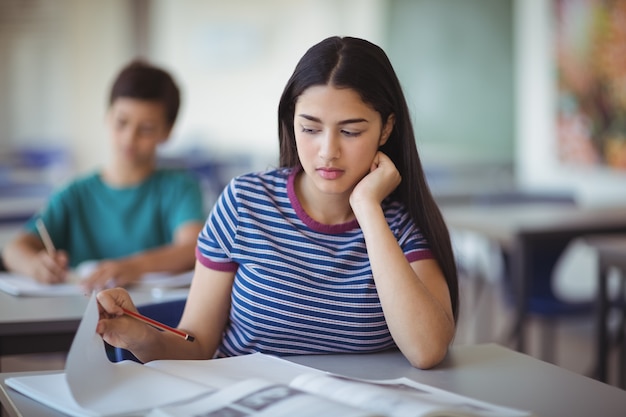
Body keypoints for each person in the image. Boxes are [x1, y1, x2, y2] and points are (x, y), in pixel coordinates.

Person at [96, 36, 459, 369]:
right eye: (310, 128)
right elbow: (197, 344)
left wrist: (368, 208)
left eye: (350, 131)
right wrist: (142, 337)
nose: (328, 151)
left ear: (386, 128)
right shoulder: (244, 203)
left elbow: (427, 350)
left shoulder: (399, 220)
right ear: (291, 121)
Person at [2, 60, 205, 291]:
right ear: (107, 116)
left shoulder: (180, 188)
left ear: (167, 131)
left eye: (146, 128)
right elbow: (14, 250)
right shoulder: (74, 194)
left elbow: (192, 249)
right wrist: (34, 265)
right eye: (122, 122)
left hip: (152, 321)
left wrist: (132, 267)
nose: (129, 138)